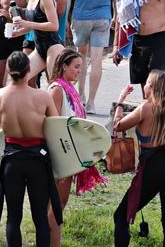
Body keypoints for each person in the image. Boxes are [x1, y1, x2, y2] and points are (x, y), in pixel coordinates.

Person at [112, 70, 165, 247]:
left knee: (121, 216)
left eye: (146, 83)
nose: (144, 86)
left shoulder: (145, 108)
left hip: (154, 168)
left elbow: (117, 126)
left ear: (151, 88)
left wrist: (120, 101)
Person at [0, 51, 61, 247]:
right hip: (37, 161)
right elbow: (55, 128)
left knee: (13, 218)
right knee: (40, 218)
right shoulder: (42, 96)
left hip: (11, 161)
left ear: (8, 69)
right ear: (29, 70)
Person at [46, 49, 107, 247]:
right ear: (64, 66)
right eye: (77, 67)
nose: (80, 72)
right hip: (61, 156)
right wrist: (60, 163)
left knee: (60, 203)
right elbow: (52, 125)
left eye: (82, 67)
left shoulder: (68, 89)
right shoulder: (57, 89)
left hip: (70, 155)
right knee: (56, 204)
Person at [66, 0, 119, 113]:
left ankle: (80, 95)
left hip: (81, 15)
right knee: (97, 60)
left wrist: (65, 18)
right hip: (103, 16)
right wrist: (116, 16)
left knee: (81, 56)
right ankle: (92, 102)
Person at [11, 0, 65, 81]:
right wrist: (18, 32)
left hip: (53, 46)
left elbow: (54, 25)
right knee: (21, 78)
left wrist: (28, 24)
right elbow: (36, 22)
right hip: (39, 48)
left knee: (54, 84)